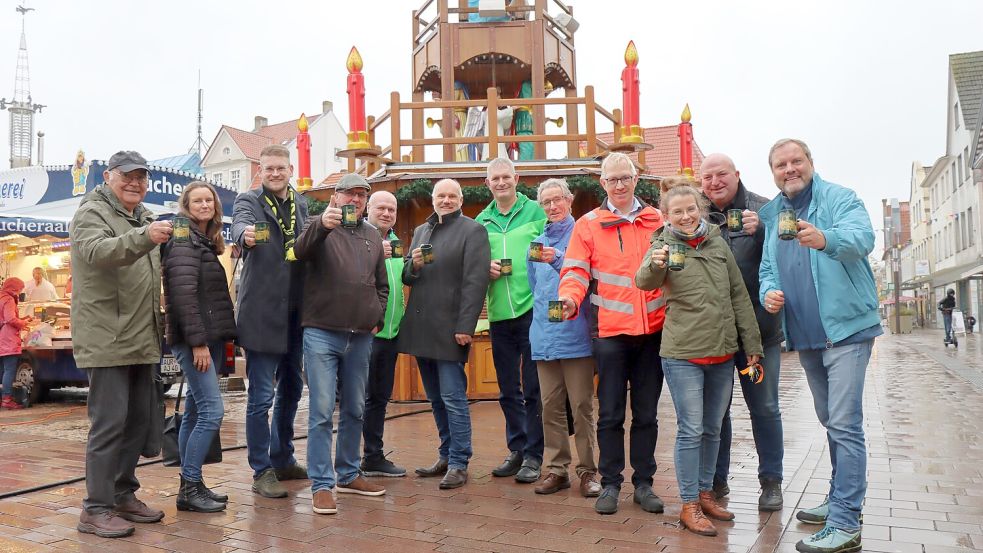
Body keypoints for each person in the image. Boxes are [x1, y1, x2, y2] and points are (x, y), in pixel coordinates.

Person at [759, 138, 882, 553]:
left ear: (810, 162)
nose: (789, 169)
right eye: (781, 165)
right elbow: (768, 269)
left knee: (844, 423)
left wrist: (825, 239)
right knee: (831, 420)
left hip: (846, 330)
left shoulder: (839, 198)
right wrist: (769, 292)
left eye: (796, 161)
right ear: (773, 172)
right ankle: (838, 497)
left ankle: (846, 521)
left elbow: (862, 238)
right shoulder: (773, 214)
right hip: (807, 336)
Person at [636, 177, 763, 537]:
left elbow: (738, 295)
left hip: (722, 351)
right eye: (677, 212)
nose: (686, 216)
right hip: (683, 353)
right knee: (691, 429)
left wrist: (751, 344)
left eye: (691, 209)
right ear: (667, 216)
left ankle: (706, 493)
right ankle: (689, 503)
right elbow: (643, 282)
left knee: (713, 427)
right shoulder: (661, 245)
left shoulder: (717, 242)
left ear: (701, 209)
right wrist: (655, 263)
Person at [558, 152, 667, 516]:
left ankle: (644, 483)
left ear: (636, 180)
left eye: (625, 178)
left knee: (647, 414)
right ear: (602, 183)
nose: (619, 185)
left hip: (653, 332)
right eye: (612, 179)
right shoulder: (588, 224)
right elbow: (574, 270)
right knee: (610, 415)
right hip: (610, 334)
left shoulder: (658, 219)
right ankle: (610, 484)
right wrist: (569, 297)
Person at [70, 151, 172, 538]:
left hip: (141, 336)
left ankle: (122, 494)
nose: (135, 183)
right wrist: (145, 237)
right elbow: (97, 252)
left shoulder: (144, 216)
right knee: (109, 425)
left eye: (141, 177)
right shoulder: (91, 212)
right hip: (107, 337)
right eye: (127, 176)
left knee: (138, 422)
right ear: (108, 177)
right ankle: (94, 509)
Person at [294, 173, 388, 515]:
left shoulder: (372, 234)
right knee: (321, 411)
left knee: (355, 408)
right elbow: (299, 251)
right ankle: (322, 484)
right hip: (321, 331)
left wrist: (377, 316)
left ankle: (348, 473)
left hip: (361, 335)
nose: (355, 200)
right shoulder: (316, 225)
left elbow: (382, 284)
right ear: (335, 196)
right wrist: (322, 225)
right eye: (349, 194)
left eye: (361, 195)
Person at [699, 153, 785, 511]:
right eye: (707, 177)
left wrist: (763, 231)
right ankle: (716, 481)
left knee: (763, 407)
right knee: (716, 412)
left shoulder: (763, 209)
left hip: (758, 336)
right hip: (716, 336)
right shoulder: (696, 214)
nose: (714, 182)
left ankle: (771, 482)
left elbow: (788, 255)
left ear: (736, 174)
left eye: (721, 174)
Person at [399, 179, 491, 490]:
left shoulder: (473, 231)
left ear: (461, 200)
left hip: (451, 329)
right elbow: (407, 276)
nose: (446, 200)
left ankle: (459, 462)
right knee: (436, 398)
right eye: (441, 196)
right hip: (423, 327)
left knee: (453, 398)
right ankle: (445, 455)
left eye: (452, 196)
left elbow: (476, 282)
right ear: (433, 199)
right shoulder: (421, 231)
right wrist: (412, 265)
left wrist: (466, 326)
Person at [232, 144, 309, 499]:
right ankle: (261, 470)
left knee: (292, 389)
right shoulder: (249, 201)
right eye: (269, 169)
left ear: (290, 170)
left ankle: (283, 457)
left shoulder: (301, 203)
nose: (275, 174)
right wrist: (244, 235)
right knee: (262, 396)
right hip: (262, 314)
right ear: (260, 172)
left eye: (281, 168)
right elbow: (240, 226)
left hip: (296, 313)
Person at [162, 181, 237, 513]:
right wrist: (198, 344)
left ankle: (191, 485)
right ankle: (190, 486)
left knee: (194, 413)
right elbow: (183, 297)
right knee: (212, 411)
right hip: (196, 341)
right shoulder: (183, 240)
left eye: (209, 200)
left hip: (208, 338)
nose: (204, 205)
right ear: (187, 206)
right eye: (197, 201)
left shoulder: (203, 240)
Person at [526, 178, 601, 498]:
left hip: (576, 335)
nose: (552, 206)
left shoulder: (583, 235)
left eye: (557, 199)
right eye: (546, 202)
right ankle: (557, 470)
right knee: (550, 406)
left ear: (570, 200)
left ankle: (588, 471)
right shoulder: (535, 244)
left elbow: (590, 282)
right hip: (544, 336)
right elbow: (535, 288)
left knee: (582, 406)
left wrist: (558, 258)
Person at [475, 157, 547, 483]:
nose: (501, 182)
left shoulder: (536, 212)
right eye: (495, 178)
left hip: (532, 310)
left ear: (516, 178)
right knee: (507, 389)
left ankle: (534, 454)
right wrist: (483, 267)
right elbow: (472, 264)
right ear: (487, 183)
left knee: (533, 388)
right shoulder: (481, 221)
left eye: (506, 176)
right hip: (499, 314)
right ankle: (517, 449)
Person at [360, 190, 408, 478]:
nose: (387, 213)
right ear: (368, 209)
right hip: (367, 334)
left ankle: (373, 456)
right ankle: (352, 461)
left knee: (379, 398)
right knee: (360, 400)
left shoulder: (396, 242)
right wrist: (376, 250)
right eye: (381, 208)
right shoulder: (360, 237)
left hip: (391, 335)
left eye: (392, 209)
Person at [0, 277, 32, 410]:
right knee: (9, 370)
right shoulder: (9, 299)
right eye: (19, 289)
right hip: (8, 339)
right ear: (14, 288)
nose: (20, 292)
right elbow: (10, 319)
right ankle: (7, 399)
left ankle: (3, 397)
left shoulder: (1, 297)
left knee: (2, 370)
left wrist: (22, 319)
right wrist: (23, 323)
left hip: (2, 337)